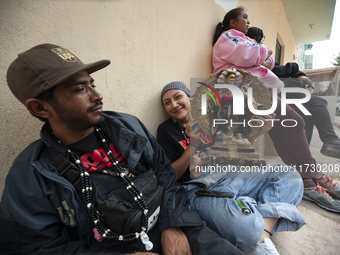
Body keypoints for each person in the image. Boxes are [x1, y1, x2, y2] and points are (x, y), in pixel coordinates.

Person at [0, 44, 243, 255]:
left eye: (92, 84)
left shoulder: (127, 126)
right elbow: (34, 248)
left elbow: (166, 178)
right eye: (79, 89)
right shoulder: (31, 174)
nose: (98, 95)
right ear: (40, 108)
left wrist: (173, 225)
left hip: (175, 226)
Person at [212, 7, 340, 213]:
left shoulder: (238, 39)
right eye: (244, 17)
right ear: (232, 23)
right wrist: (267, 51)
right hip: (250, 90)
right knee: (296, 122)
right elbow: (250, 56)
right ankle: (315, 175)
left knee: (280, 132)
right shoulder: (229, 37)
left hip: (258, 90)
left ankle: (307, 182)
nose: (247, 21)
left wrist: (265, 58)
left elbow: (263, 62)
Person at [157, 81, 307, 255]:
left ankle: (263, 233)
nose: (174, 104)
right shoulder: (166, 130)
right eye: (167, 102)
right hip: (200, 189)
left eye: (177, 97)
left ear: (190, 98)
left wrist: (256, 133)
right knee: (246, 231)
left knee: (290, 175)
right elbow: (170, 175)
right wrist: (193, 145)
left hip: (233, 175)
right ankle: (253, 217)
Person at [246, 26, 340, 157]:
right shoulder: (250, 54)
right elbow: (278, 70)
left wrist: (298, 74)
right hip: (269, 94)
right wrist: (295, 73)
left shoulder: (258, 54)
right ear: (256, 39)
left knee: (308, 112)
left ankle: (308, 153)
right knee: (317, 102)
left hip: (277, 92)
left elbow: (279, 69)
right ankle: (329, 140)